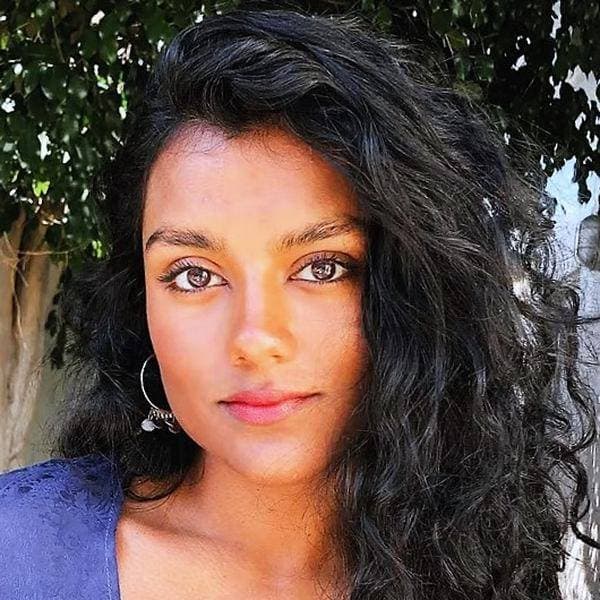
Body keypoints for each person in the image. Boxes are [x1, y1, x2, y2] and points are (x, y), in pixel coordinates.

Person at [1, 7, 598, 600]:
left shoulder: (489, 573)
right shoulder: (19, 556)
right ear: (143, 304)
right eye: (193, 275)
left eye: (322, 267)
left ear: (418, 291)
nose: (255, 339)